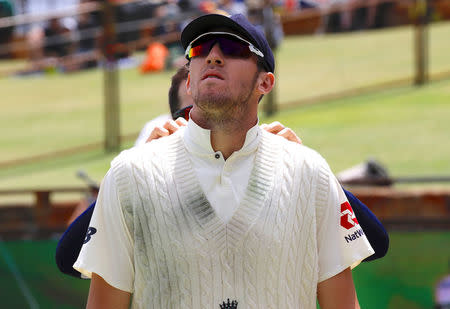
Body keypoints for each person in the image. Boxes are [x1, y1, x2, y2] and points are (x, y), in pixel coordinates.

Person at [73, 13, 376, 308]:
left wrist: (299, 163)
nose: (213, 56)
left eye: (233, 48)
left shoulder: (309, 171)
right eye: (199, 49)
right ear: (188, 81)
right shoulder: (130, 173)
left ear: (266, 83)